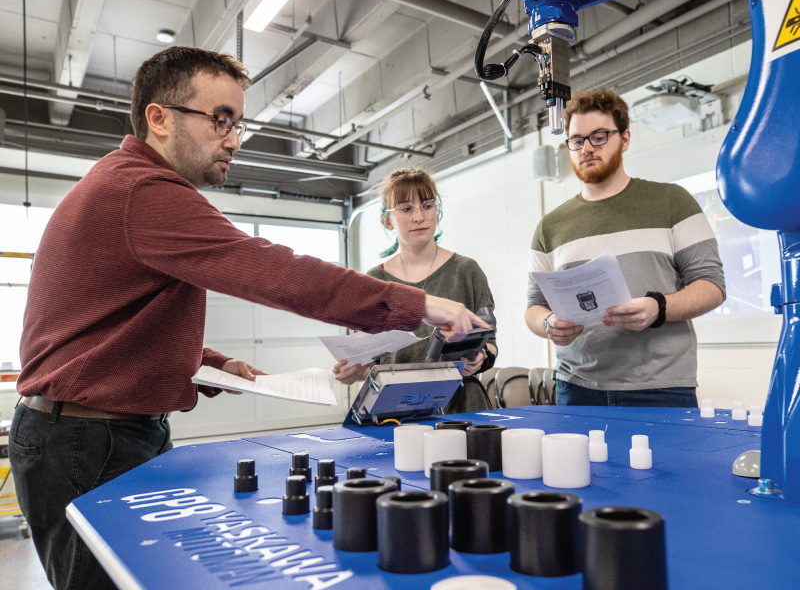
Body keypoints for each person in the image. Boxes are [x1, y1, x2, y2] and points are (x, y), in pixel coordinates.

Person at [8, 47, 485, 590]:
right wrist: (415, 302)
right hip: (88, 441)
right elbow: (270, 269)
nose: (233, 139)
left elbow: (99, 325)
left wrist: (203, 362)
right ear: (158, 118)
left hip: (91, 431)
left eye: (237, 124)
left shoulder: (122, 185)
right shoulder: (143, 189)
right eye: (220, 120)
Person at [525, 88, 725, 407]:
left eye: (600, 136)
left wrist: (658, 307)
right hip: (577, 387)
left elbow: (712, 286)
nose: (587, 148)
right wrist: (548, 323)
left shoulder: (673, 201)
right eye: (577, 140)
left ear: (625, 138)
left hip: (661, 386)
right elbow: (534, 306)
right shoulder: (549, 226)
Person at [333, 168, 498, 413]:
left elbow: (491, 343)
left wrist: (481, 358)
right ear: (386, 220)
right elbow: (372, 362)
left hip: (462, 408)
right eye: (407, 209)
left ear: (437, 212)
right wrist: (355, 372)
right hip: (396, 410)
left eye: (427, 206)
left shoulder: (466, 270)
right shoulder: (374, 282)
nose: (419, 217)